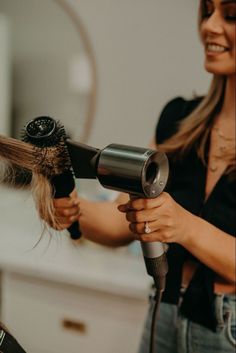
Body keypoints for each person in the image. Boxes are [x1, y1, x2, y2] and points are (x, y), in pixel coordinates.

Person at [45, 0, 236, 352]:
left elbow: (178, 225)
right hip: (164, 314)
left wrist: (185, 227)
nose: (209, 26)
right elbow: (123, 220)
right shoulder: (178, 121)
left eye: (231, 14)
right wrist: (73, 211)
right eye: (207, 11)